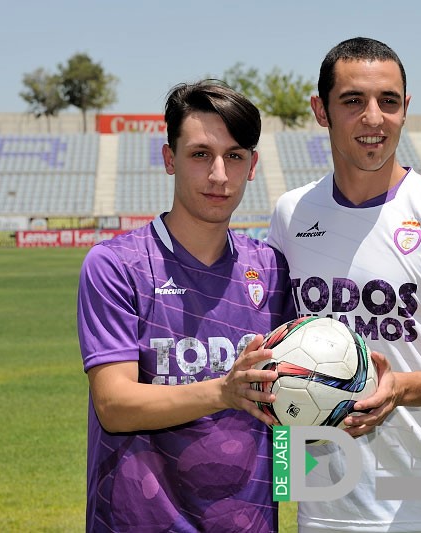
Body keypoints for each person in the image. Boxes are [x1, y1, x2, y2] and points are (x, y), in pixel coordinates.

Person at [267, 37, 421, 532]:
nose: (373, 118)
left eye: (388, 102)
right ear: (321, 110)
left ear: (405, 109)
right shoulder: (292, 214)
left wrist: (397, 388)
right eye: (353, 101)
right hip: (325, 510)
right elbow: (284, 347)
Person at [77, 80, 295, 532]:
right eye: (200, 154)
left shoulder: (271, 270)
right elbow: (114, 404)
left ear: (252, 166)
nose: (219, 174)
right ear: (169, 159)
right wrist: (222, 391)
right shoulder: (117, 265)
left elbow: (284, 410)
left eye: (234, 156)